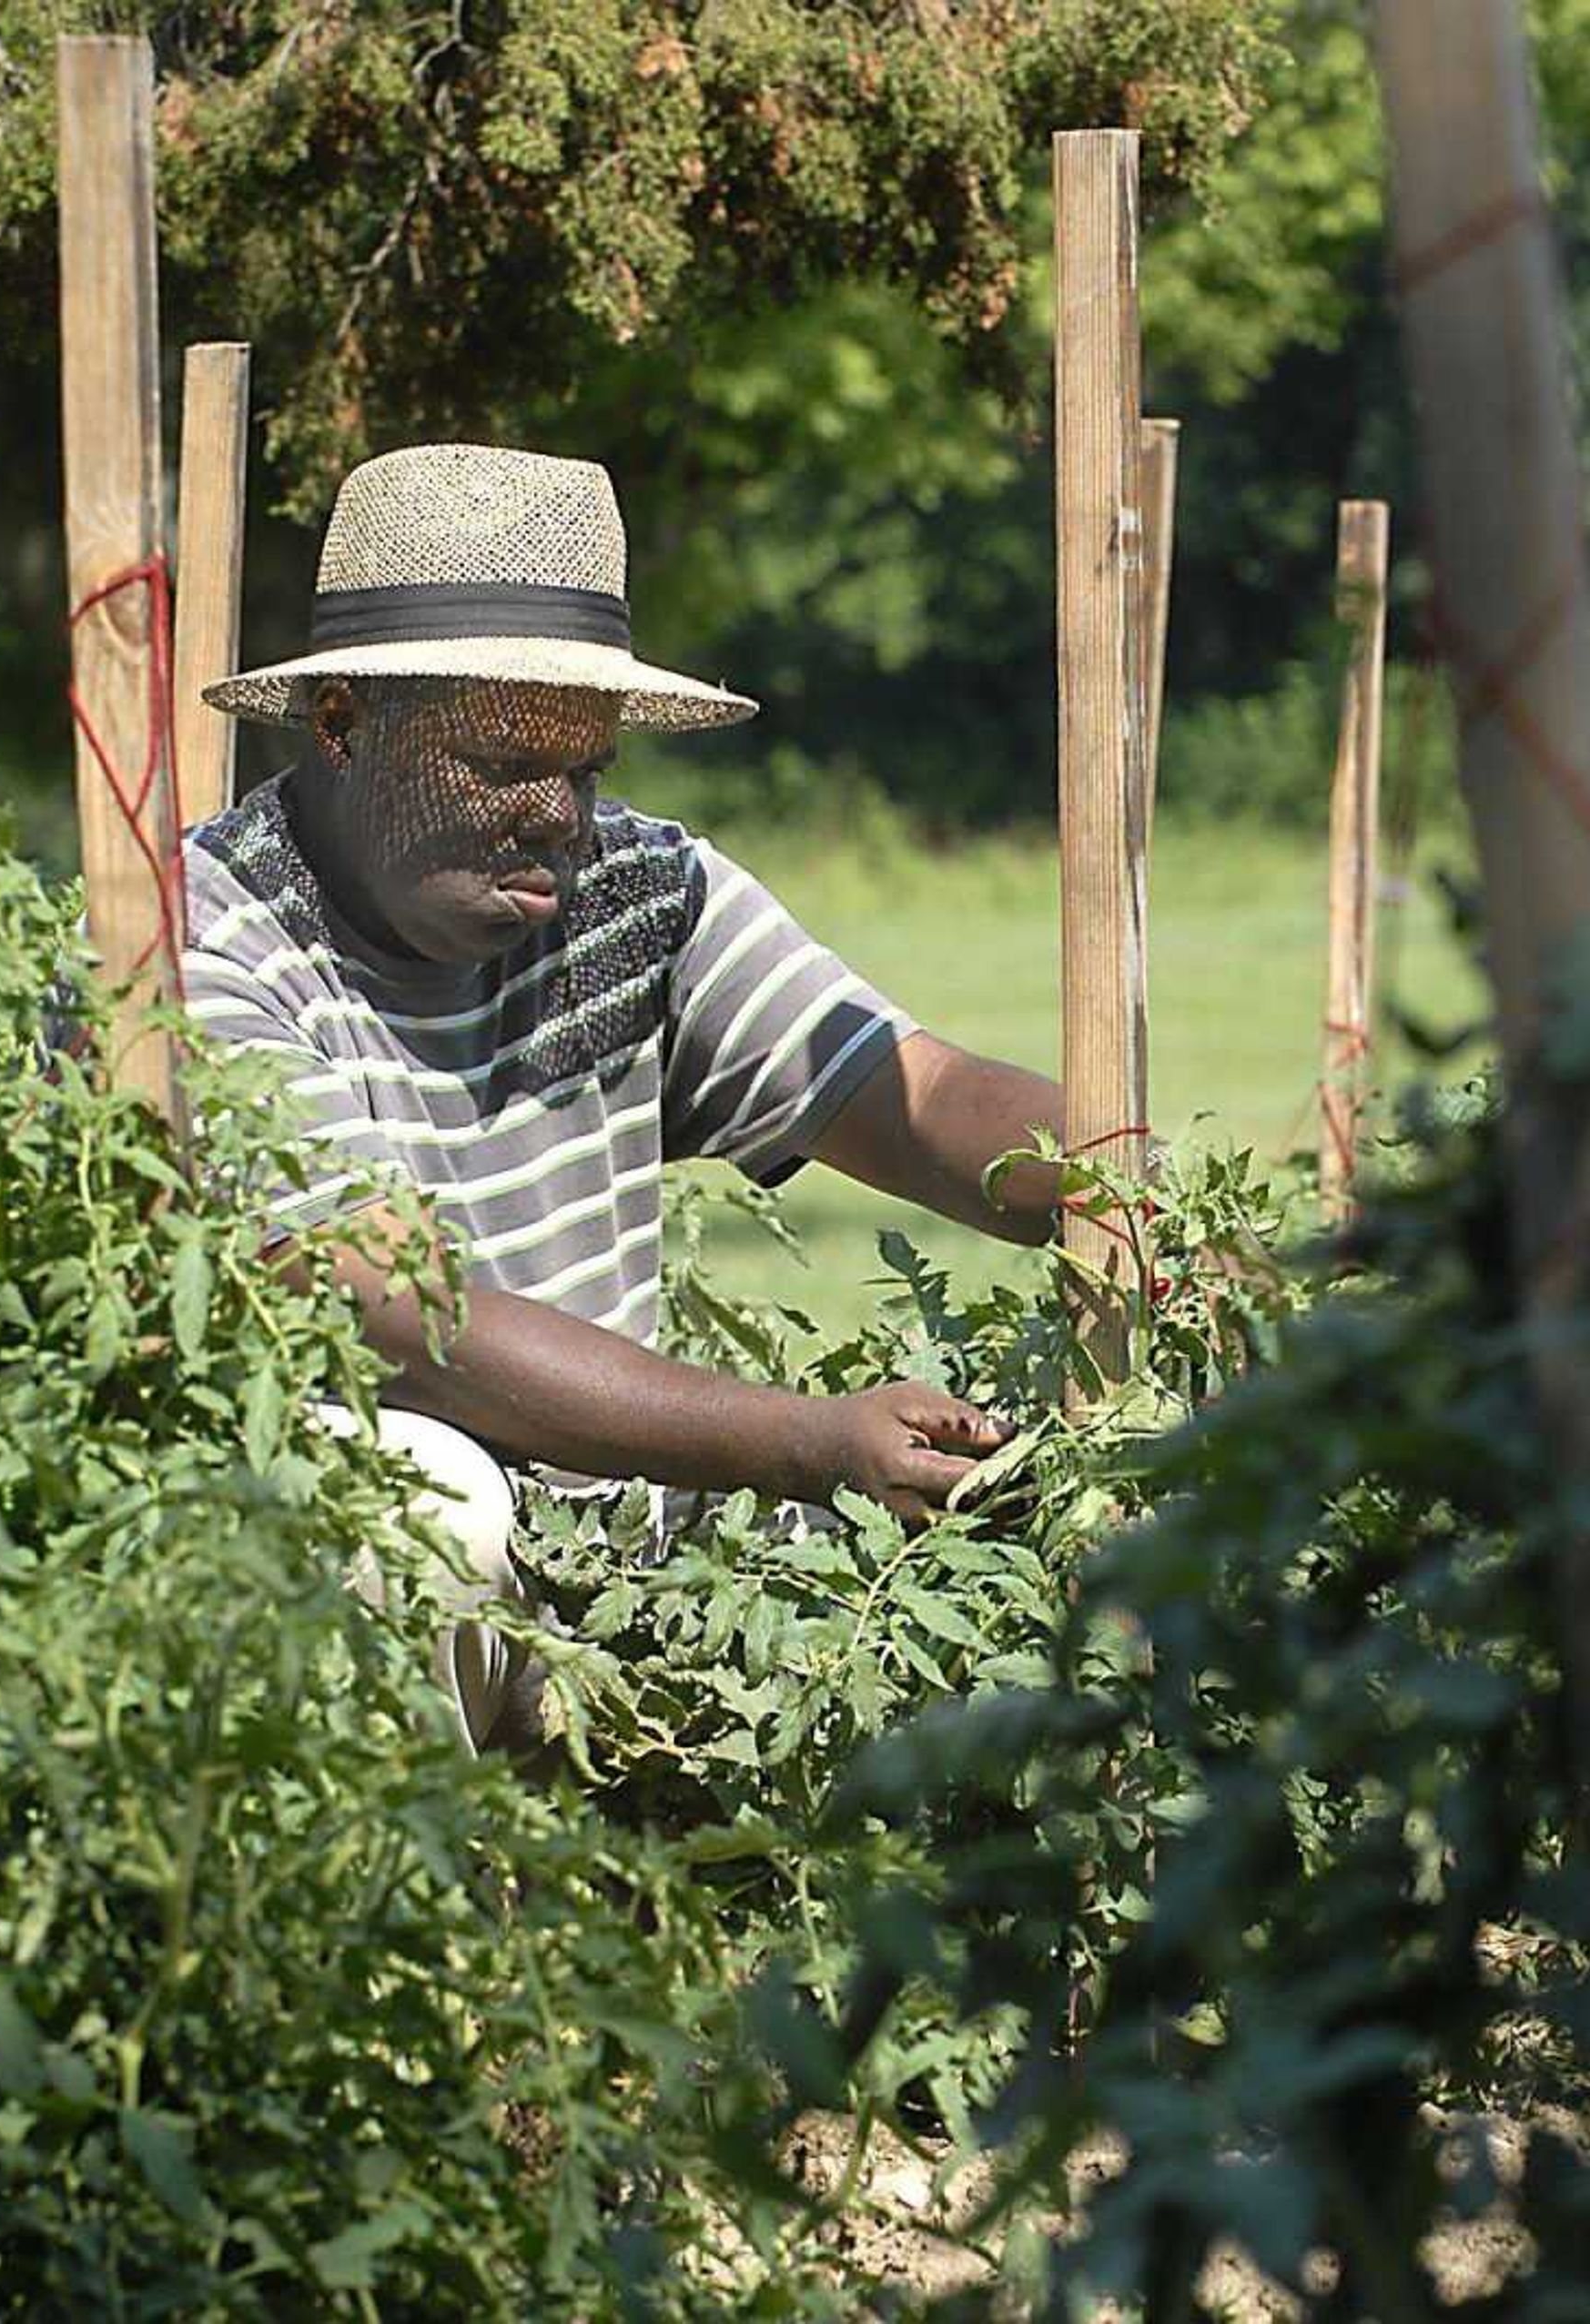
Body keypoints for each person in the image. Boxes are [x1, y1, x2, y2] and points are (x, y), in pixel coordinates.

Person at [179, 443, 1069, 1753]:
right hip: (366, 1605)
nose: (564, 819)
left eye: (585, 768)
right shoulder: (205, 937)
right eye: (500, 765)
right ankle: (407, 1928)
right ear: (342, 724)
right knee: (414, 1503)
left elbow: (914, 1091)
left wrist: (1115, 1178)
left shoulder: (630, 898)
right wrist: (808, 1440)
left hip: (626, 1554)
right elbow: (410, 1318)